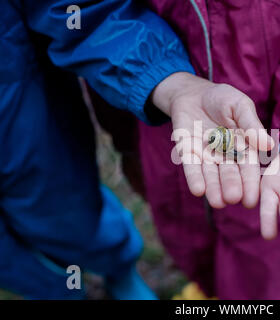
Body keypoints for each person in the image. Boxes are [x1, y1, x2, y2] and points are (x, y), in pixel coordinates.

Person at [94, 0, 280, 299]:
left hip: (267, 169)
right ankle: (212, 290)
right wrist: (167, 84)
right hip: (168, 145)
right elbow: (93, 14)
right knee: (190, 248)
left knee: (262, 275)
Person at [0, 0, 194, 299]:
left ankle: (118, 270)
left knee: (73, 216)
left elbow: (80, 11)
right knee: (14, 262)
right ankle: (60, 290)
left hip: (30, 131)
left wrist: (166, 79)